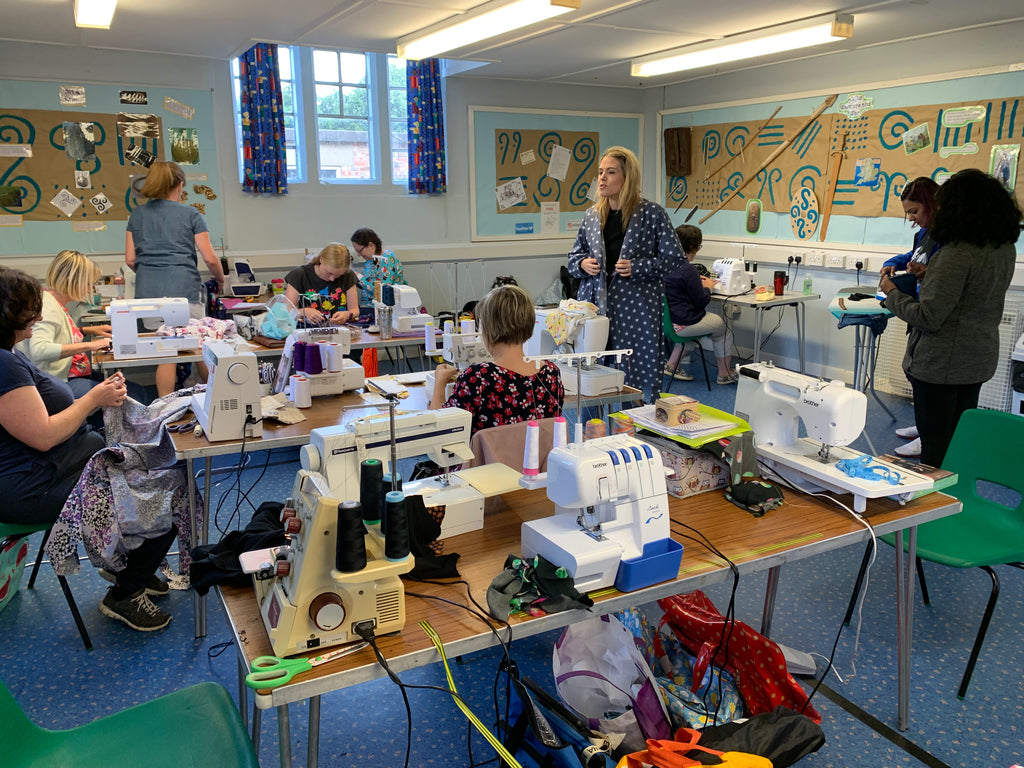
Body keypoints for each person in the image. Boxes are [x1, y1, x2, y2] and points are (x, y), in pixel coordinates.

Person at [0, 268, 176, 632]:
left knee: (150, 470)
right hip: (32, 487)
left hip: (41, 472)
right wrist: (94, 399)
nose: (36, 316)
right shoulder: (4, 366)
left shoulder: (8, 357)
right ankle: (125, 591)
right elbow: (44, 436)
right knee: (164, 489)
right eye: (29, 310)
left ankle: (130, 568)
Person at [879, 169, 1020, 469]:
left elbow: (928, 316)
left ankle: (931, 508)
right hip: (977, 359)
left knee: (935, 448)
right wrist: (934, 276)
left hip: (942, 365)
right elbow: (971, 293)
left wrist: (891, 293)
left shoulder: (956, 253)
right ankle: (951, 500)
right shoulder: (1003, 249)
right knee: (958, 439)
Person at [567, 146, 686, 401]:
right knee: (593, 371)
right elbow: (573, 258)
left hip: (637, 309)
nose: (602, 178)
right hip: (596, 308)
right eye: (600, 172)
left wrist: (639, 267)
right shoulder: (591, 216)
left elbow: (675, 259)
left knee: (636, 369)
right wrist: (582, 264)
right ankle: (594, 431)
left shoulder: (652, 214)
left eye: (610, 172)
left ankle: (637, 427)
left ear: (627, 177)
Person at [125, 160, 226, 397]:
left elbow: (130, 259)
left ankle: (165, 408)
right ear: (180, 185)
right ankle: (217, 398)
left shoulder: (137, 215)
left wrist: (151, 273)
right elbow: (211, 259)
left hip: (147, 295)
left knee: (166, 353)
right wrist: (220, 280)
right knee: (198, 347)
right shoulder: (191, 214)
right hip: (184, 292)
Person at [430, 284, 564, 435]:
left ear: (487, 329)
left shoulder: (477, 377)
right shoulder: (551, 374)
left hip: (489, 459)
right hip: (538, 458)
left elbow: (441, 429)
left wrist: (439, 382)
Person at [878, 177, 941, 457]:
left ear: (932, 204)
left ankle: (928, 436)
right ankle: (922, 424)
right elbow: (912, 255)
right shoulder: (924, 234)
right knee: (913, 371)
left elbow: (939, 274)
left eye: (914, 211)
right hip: (916, 310)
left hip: (929, 313)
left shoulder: (947, 240)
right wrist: (895, 263)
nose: (911, 219)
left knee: (926, 379)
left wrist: (925, 273)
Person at [664, 225, 736, 384]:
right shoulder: (687, 269)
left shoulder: (664, 264)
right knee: (723, 328)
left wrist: (699, 284)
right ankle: (725, 373)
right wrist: (708, 287)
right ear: (694, 247)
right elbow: (702, 301)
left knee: (695, 327)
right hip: (683, 324)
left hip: (668, 324)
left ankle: (671, 365)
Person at [285, 243, 359, 326]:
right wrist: (304, 312)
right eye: (329, 273)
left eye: (338, 275)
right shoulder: (299, 275)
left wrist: (347, 314)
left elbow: (355, 310)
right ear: (321, 260)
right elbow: (287, 311)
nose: (332, 279)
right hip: (306, 329)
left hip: (339, 329)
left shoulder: (348, 275)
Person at [351, 227, 405, 310]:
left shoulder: (388, 259)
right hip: (369, 307)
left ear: (370, 245)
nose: (359, 255)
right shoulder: (371, 260)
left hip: (385, 309)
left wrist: (358, 277)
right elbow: (368, 285)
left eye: (360, 251)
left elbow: (382, 290)